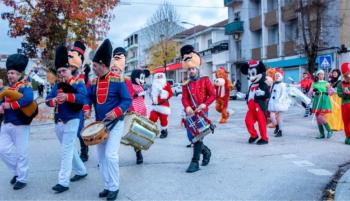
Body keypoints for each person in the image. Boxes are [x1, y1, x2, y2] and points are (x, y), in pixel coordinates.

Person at [86, 39, 132, 201]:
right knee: (101, 158)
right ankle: (107, 185)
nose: (93, 68)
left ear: (102, 65)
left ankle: (114, 187)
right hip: (100, 125)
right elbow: (87, 97)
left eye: (95, 66)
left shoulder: (118, 80)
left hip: (116, 123)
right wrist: (86, 109)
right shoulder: (93, 82)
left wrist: (117, 111)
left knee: (111, 155)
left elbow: (127, 100)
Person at [46, 46, 88, 193]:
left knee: (65, 151)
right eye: (59, 72)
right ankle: (82, 171)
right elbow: (47, 100)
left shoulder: (78, 83)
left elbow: (83, 98)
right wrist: (54, 101)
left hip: (73, 119)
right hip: (58, 121)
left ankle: (63, 182)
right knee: (69, 149)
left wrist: (68, 97)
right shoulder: (57, 85)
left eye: (64, 71)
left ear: (70, 69)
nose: (61, 74)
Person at [0, 54, 34, 190]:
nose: (10, 75)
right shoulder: (6, 89)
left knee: (21, 153)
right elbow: (2, 101)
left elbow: (28, 99)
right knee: (3, 150)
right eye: (9, 73)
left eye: (13, 73)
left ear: (19, 74)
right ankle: (18, 172)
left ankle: (22, 178)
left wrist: (11, 106)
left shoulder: (25, 85)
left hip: (21, 124)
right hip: (6, 123)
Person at [180, 45, 216, 173]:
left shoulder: (205, 81)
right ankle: (206, 152)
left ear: (198, 68)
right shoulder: (186, 84)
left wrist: (205, 104)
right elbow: (184, 98)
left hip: (202, 113)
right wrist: (187, 107)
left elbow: (213, 95)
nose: (191, 71)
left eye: (193, 69)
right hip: (190, 114)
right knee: (191, 138)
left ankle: (195, 162)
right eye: (189, 70)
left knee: (198, 137)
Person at [68, 41, 90, 162]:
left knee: (79, 130)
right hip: (69, 107)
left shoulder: (83, 76)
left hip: (80, 107)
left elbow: (85, 94)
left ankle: (84, 150)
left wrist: (86, 108)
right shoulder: (67, 74)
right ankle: (73, 152)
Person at [241, 60, 270, 145]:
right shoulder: (251, 85)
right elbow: (250, 95)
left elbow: (267, 94)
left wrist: (263, 93)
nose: (251, 77)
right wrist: (244, 96)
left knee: (261, 123)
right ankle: (254, 135)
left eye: (253, 74)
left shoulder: (263, 84)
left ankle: (264, 138)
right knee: (248, 121)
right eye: (249, 74)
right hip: (251, 108)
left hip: (259, 107)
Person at [309, 70, 333, 139]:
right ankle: (322, 134)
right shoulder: (314, 83)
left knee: (320, 116)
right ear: (317, 75)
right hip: (317, 100)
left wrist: (331, 91)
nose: (322, 76)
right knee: (317, 118)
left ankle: (329, 130)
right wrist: (314, 92)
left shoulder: (326, 83)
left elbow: (330, 92)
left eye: (323, 74)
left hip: (324, 100)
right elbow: (309, 93)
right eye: (320, 74)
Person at [149, 72, 173, 139]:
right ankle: (153, 131)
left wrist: (164, 93)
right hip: (155, 106)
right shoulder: (153, 85)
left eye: (160, 77)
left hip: (163, 106)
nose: (159, 78)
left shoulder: (166, 84)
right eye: (158, 77)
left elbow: (171, 94)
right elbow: (151, 94)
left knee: (163, 119)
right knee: (152, 118)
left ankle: (164, 131)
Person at [267, 68, 290, 137]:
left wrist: (279, 100)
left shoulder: (282, 85)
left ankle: (280, 130)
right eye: (276, 76)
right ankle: (276, 126)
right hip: (273, 103)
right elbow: (271, 93)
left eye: (278, 76)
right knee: (272, 116)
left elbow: (283, 94)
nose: (276, 77)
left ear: (281, 76)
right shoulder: (274, 84)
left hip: (280, 103)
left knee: (280, 118)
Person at [338, 63, 350, 144]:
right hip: (345, 104)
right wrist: (344, 94)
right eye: (347, 74)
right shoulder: (340, 84)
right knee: (346, 121)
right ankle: (348, 137)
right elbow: (339, 93)